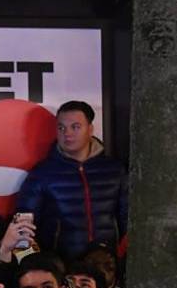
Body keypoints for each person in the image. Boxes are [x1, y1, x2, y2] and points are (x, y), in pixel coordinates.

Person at [13, 100, 128, 258]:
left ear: (90, 129)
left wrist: (124, 261)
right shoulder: (41, 173)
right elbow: (21, 227)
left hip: (105, 266)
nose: (67, 133)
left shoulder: (115, 170)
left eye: (75, 127)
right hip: (60, 269)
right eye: (61, 128)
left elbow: (129, 221)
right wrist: (29, 265)